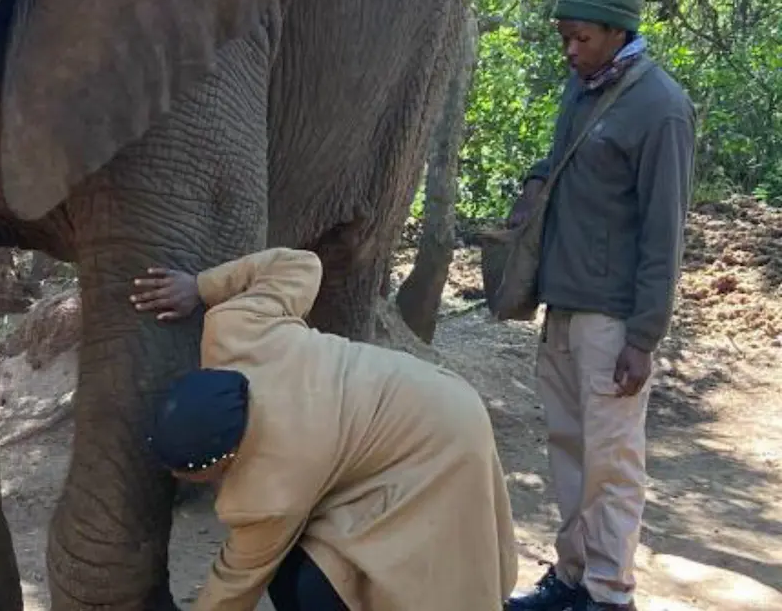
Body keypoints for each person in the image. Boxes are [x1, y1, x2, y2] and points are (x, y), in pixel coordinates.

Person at [132, 247, 518, 611]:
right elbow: (298, 264)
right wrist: (200, 287)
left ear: (228, 458)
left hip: (441, 435)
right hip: (406, 399)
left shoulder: (270, 491)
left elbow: (234, 582)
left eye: (192, 474)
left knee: (364, 580)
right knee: (307, 562)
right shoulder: (236, 328)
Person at [502, 0, 696, 611]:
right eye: (563, 37)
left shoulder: (661, 108)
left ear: (618, 32)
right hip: (562, 307)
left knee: (611, 465)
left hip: (612, 322)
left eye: (580, 37)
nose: (569, 50)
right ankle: (571, 577)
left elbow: (664, 233)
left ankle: (609, 595)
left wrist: (643, 338)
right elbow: (563, 160)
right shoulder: (583, 87)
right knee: (567, 451)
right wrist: (535, 181)